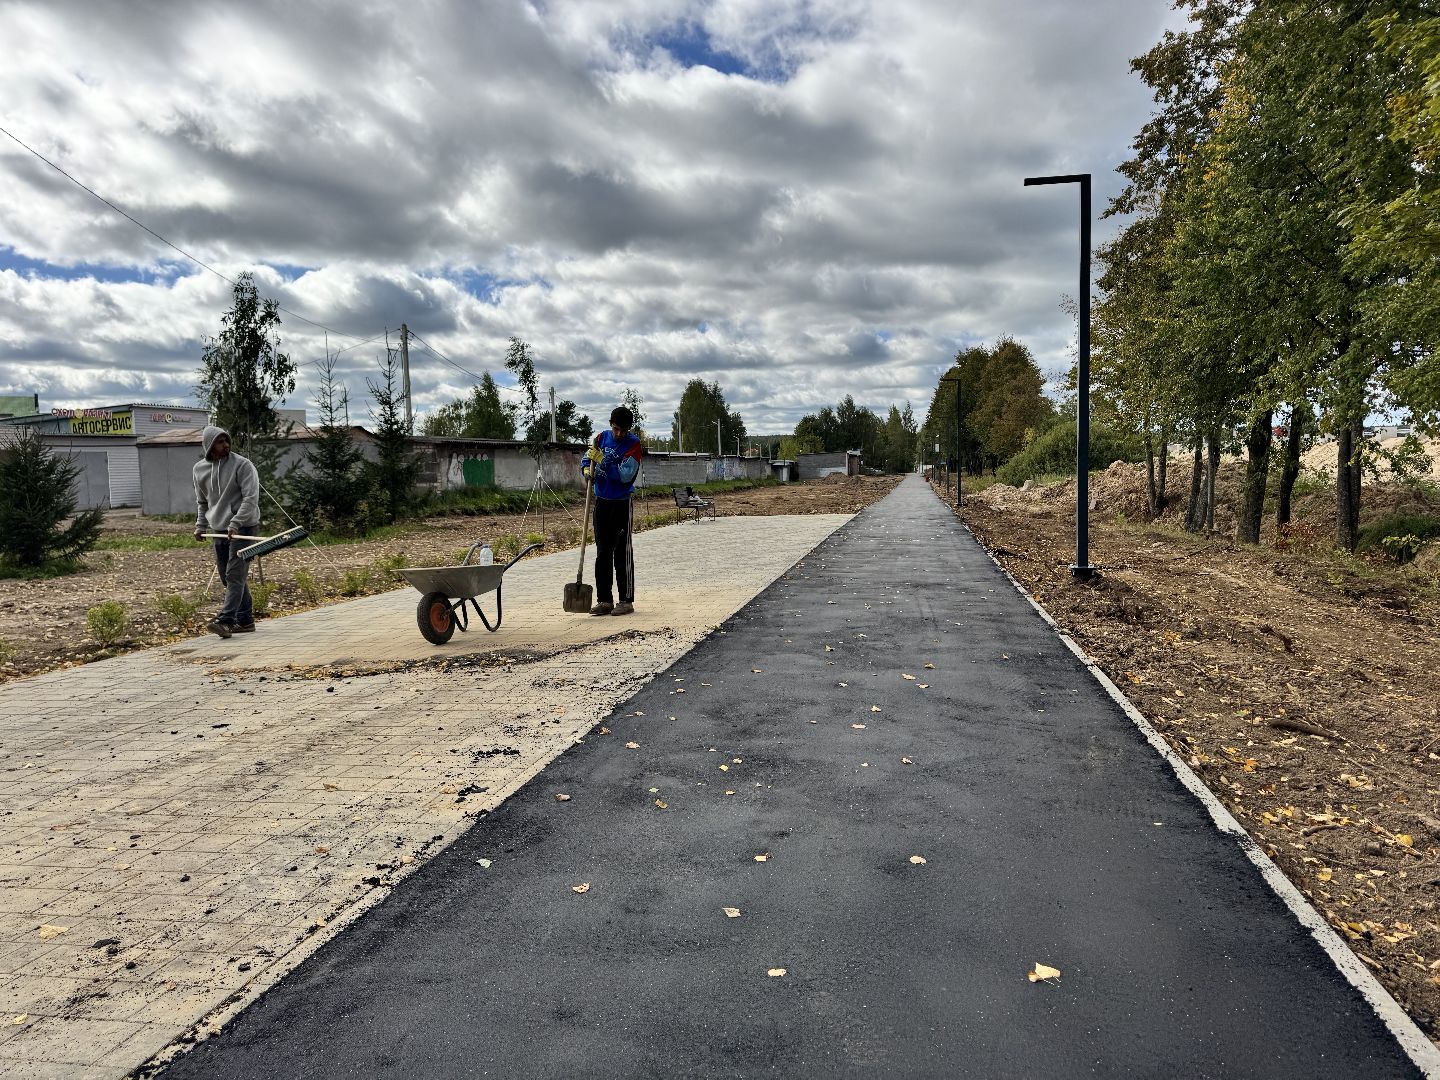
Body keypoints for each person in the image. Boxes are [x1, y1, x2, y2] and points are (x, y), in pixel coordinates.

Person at [193, 425, 260, 638]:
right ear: (209, 445)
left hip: (244, 527)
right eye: (220, 442)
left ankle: (226, 621)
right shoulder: (199, 469)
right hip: (219, 528)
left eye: (226, 441)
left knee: (234, 574)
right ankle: (246, 620)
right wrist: (200, 525)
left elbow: (250, 498)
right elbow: (202, 502)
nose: (225, 445)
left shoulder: (242, 465)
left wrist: (236, 522)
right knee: (228, 576)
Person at [581, 406, 644, 616]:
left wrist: (604, 465)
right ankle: (604, 600)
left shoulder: (633, 445)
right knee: (603, 552)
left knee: (622, 553)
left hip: (621, 503)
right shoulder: (600, 438)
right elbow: (587, 458)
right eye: (616, 429)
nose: (619, 434)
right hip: (601, 502)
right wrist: (586, 469)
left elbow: (626, 475)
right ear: (611, 424)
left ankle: (626, 601)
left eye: (623, 430)